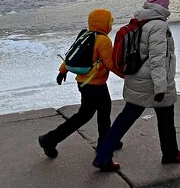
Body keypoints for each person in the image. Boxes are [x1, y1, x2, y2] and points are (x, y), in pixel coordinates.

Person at [92, 0, 180, 172]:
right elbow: (158, 59)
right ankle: (170, 153)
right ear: (162, 7)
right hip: (153, 82)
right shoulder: (158, 26)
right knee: (166, 116)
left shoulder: (140, 20)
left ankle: (103, 155)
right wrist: (161, 87)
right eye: (167, 6)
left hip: (137, 78)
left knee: (126, 118)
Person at [37, 8, 120, 158]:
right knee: (89, 114)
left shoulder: (85, 35)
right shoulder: (103, 40)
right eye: (110, 22)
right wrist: (127, 76)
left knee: (99, 112)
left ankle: (106, 141)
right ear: (105, 24)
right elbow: (110, 64)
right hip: (96, 84)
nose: (111, 25)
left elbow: (72, 54)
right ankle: (50, 138)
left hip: (83, 82)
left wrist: (62, 71)